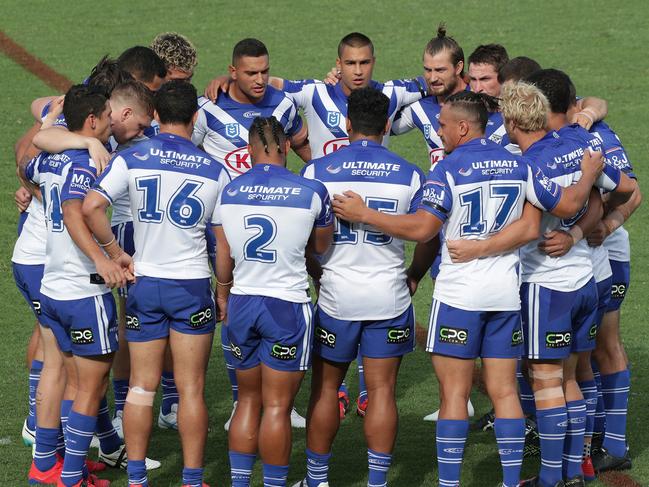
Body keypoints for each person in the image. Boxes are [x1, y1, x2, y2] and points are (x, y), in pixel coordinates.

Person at [331, 89, 608, 487]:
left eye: (443, 125)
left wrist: (365, 213)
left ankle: (449, 484)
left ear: (462, 127)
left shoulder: (447, 168)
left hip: (460, 297)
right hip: (505, 296)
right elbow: (563, 207)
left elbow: (424, 228)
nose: (439, 132)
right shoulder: (519, 165)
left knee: (453, 397)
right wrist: (586, 176)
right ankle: (511, 482)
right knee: (505, 393)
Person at [440, 79, 634, 487]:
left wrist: (577, 201)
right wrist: (587, 228)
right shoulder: (580, 144)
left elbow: (561, 205)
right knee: (571, 379)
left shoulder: (529, 165)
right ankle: (574, 472)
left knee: (545, 380)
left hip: (547, 286)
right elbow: (624, 190)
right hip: (587, 280)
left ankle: (550, 480)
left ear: (511, 121)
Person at [83, 80, 230, 487]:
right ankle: (192, 478)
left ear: (158, 117)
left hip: (144, 284)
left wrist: (116, 253)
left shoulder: (132, 158)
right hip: (192, 287)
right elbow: (222, 244)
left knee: (141, 387)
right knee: (191, 390)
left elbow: (93, 206)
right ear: (195, 117)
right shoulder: (215, 170)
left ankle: (134, 478)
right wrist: (223, 290)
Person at [292, 86, 425, 487]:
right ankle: (378, 482)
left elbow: (300, 238)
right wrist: (415, 272)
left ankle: (317, 481)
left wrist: (318, 274)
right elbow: (428, 233)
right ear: (386, 125)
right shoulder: (410, 173)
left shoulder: (316, 171)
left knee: (327, 388)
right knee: (382, 391)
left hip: (336, 298)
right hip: (389, 296)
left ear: (347, 124)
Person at [192, 37, 310, 430]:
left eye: (264, 70)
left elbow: (302, 146)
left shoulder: (283, 104)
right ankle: (241, 399)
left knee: (268, 304)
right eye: (251, 73)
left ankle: (281, 402)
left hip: (277, 225)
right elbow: (188, 157)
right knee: (235, 309)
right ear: (232, 72)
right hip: (226, 228)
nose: (260, 80)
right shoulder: (208, 109)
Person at [214, 116, 333, 487]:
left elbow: (223, 256)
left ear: (249, 151)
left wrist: (223, 292)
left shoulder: (229, 193)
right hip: (286, 307)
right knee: (278, 407)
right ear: (284, 148)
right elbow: (322, 247)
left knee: (247, 402)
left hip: (242, 303)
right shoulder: (311, 190)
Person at [19, 84, 127, 487]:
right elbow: (71, 210)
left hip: (51, 287)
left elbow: (24, 164)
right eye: (109, 115)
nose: (115, 120)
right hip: (84, 289)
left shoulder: (48, 160)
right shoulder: (87, 162)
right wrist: (108, 258)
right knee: (88, 386)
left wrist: (47, 124)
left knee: (55, 372)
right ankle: (72, 477)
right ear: (94, 120)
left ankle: (44, 466)